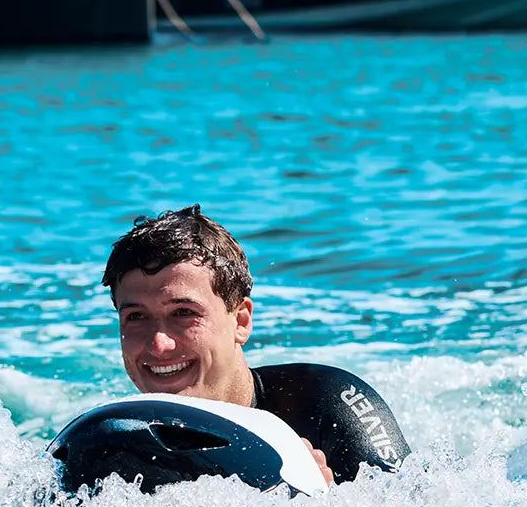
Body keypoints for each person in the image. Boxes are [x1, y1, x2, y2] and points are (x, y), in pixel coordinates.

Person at [102, 205, 409, 486]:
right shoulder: (111, 447)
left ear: (241, 321)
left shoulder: (328, 404)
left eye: (184, 313)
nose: (159, 345)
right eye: (136, 316)